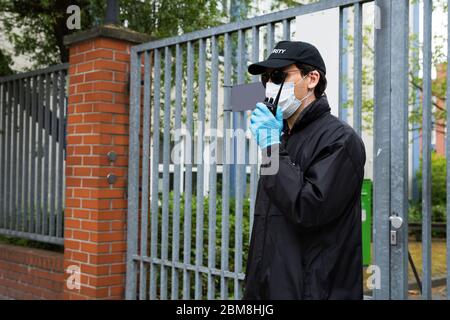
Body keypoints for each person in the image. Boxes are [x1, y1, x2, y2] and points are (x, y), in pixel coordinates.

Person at [243, 40, 366, 300]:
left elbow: (307, 208)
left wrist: (272, 148)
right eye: (266, 78)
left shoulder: (340, 140)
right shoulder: (281, 137)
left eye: (279, 75)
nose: (270, 85)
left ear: (312, 79)